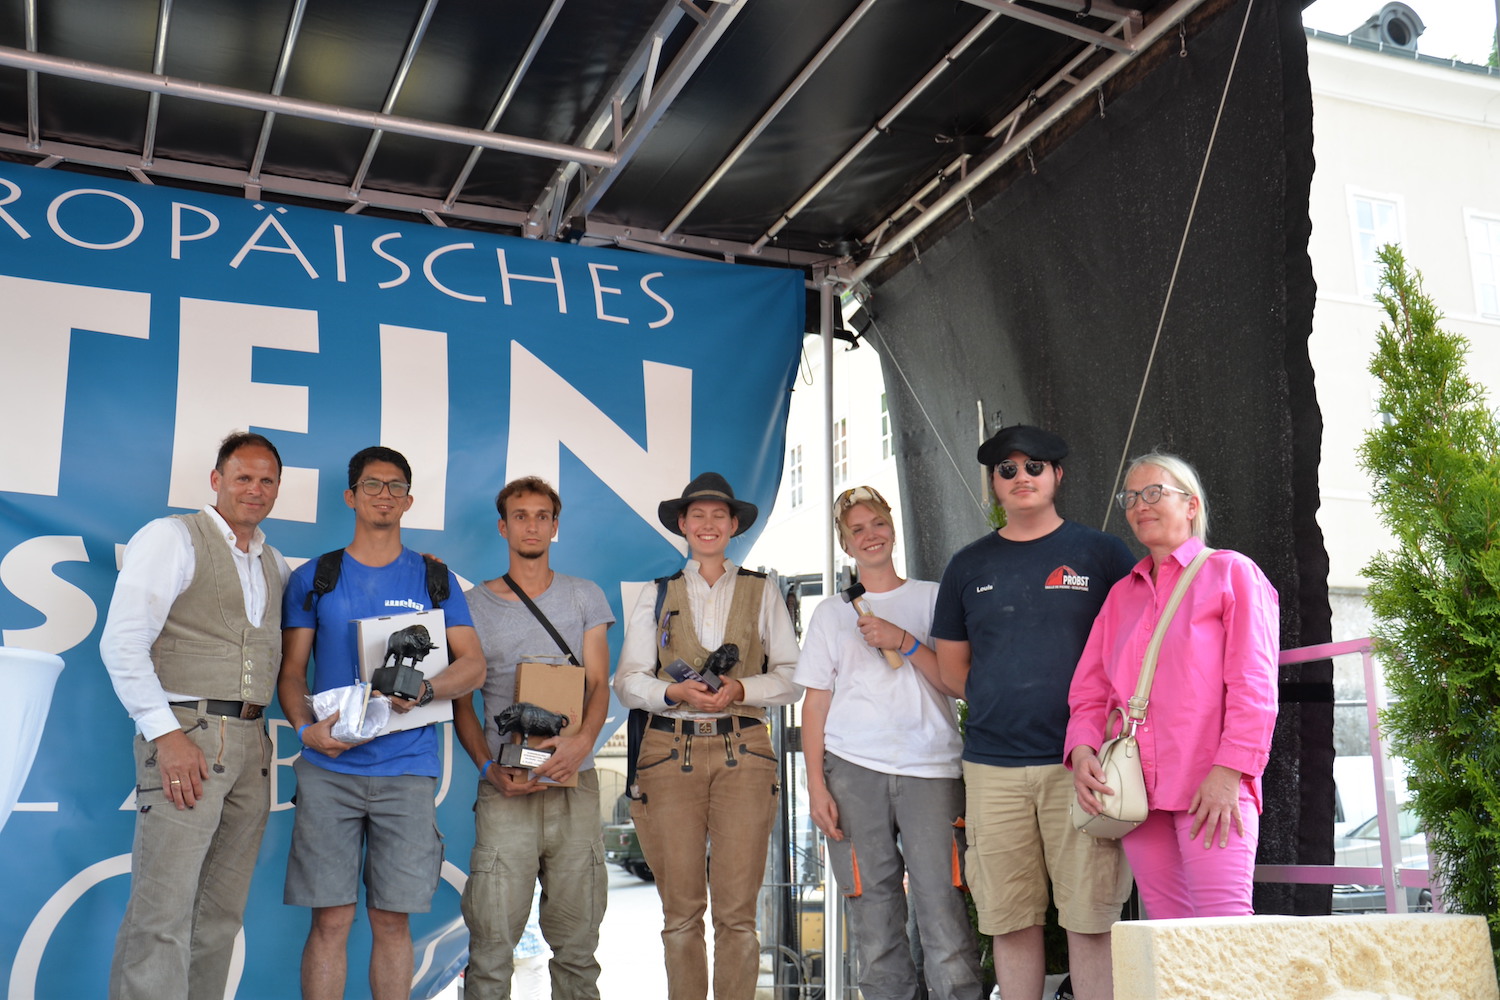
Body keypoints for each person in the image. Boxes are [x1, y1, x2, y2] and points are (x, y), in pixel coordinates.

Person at [930, 425, 1136, 1000]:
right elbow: (952, 671)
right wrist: (1005, 701)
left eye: (1034, 466)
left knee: (1091, 919)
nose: (1021, 476)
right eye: (1007, 469)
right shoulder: (967, 565)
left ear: (1057, 474)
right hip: (992, 768)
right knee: (1009, 920)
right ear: (994, 483)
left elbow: (1136, 652)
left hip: (1084, 766)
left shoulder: (1104, 554)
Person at [278, 445, 485, 1000]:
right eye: (372, 485)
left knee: (393, 922)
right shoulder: (315, 577)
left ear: (409, 500)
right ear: (351, 496)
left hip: (407, 769)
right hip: (330, 769)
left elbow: (473, 665)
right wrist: (304, 730)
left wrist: (426, 689)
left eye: (396, 486)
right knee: (331, 920)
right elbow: (292, 673)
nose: (384, 495)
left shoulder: (435, 578)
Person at [101, 431, 290, 1000]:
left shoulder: (274, 561)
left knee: (219, 915)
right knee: (162, 912)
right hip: (188, 734)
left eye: (266, 480)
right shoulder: (172, 537)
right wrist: (167, 736)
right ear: (216, 480)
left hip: (252, 742)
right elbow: (122, 643)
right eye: (243, 477)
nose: (255, 489)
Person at [612, 472, 803, 1000]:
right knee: (680, 914)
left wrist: (741, 687)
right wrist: (673, 693)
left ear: (735, 525)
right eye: (698, 514)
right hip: (668, 750)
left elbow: (793, 678)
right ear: (682, 524)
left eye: (719, 515)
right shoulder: (656, 593)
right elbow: (627, 682)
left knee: (738, 914)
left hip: (745, 748)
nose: (708, 524)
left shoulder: (762, 590)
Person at [1066, 452, 1279, 919]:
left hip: (1211, 783)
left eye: (1154, 492)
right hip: (1137, 791)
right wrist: (1082, 752)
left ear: (1191, 505)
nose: (1140, 504)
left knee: (1225, 931)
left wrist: (1230, 773)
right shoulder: (1121, 594)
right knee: (1167, 934)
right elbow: (1090, 691)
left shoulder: (1232, 573)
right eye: (1130, 497)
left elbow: (1255, 686)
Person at [795, 485, 982, 1000]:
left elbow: (958, 684)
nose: (870, 534)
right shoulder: (831, 614)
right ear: (845, 544)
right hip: (852, 772)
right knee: (873, 918)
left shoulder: (934, 597)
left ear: (893, 527)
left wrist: (905, 641)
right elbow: (814, 704)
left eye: (877, 522)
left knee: (943, 909)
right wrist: (816, 787)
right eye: (857, 529)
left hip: (932, 769)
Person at [454, 476, 614, 999]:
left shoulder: (585, 596)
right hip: (507, 788)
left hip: (574, 784)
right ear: (503, 527)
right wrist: (487, 769)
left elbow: (599, 684)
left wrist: (582, 743)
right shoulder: (473, 606)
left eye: (542, 516)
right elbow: (462, 705)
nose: (532, 525)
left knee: (578, 950)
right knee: (490, 952)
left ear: (555, 526)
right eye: (520, 516)